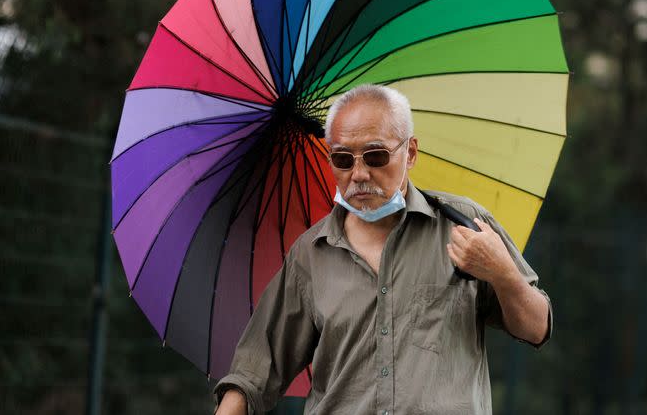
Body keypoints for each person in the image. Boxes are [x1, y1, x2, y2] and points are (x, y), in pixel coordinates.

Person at [213, 84, 552, 414]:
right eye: (343, 159)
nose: (359, 174)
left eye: (375, 156)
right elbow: (253, 372)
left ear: (411, 153)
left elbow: (537, 327)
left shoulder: (464, 225)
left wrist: (502, 272)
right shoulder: (311, 253)